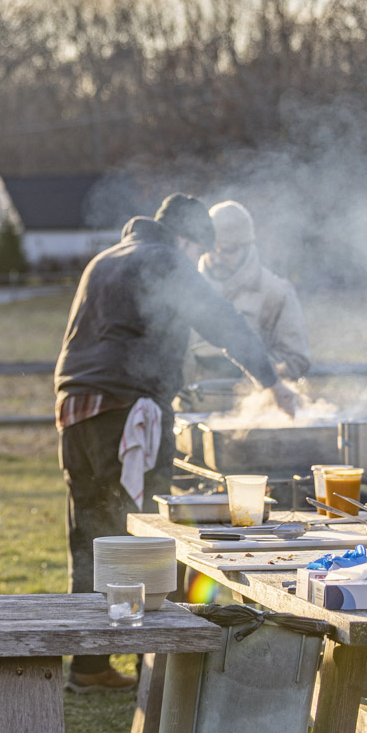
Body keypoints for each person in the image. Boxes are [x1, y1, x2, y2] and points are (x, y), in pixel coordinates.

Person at [54, 194, 295, 693]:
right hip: (126, 412)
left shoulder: (107, 257)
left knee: (91, 535)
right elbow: (221, 319)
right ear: (187, 239)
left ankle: (90, 665)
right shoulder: (165, 258)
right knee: (145, 533)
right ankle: (158, 665)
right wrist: (271, 381)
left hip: (75, 408)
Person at [183, 200, 311, 387]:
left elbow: (297, 360)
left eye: (228, 250)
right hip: (189, 407)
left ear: (248, 247)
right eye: (212, 250)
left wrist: (250, 368)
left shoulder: (276, 293)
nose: (218, 258)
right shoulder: (185, 288)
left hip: (252, 410)